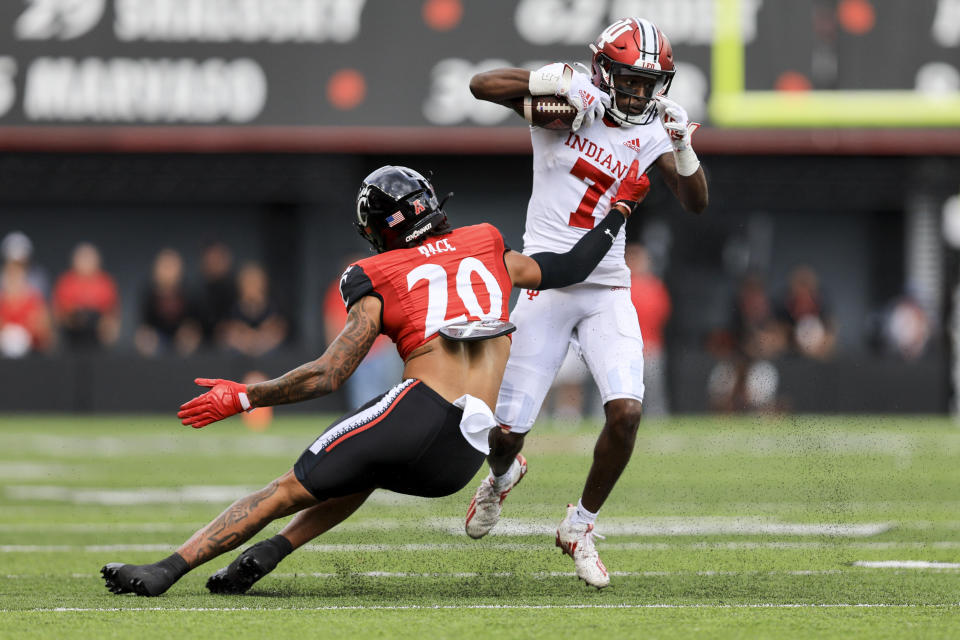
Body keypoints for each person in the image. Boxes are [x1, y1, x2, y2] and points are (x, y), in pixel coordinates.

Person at [100, 163, 648, 597]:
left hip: (419, 411)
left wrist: (245, 395)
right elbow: (573, 268)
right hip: (463, 456)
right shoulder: (486, 242)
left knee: (286, 489)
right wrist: (620, 208)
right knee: (366, 467)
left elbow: (327, 373)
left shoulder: (377, 273)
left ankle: (166, 571)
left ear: (378, 230)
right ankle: (269, 554)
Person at [459, 17, 708, 589]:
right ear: (603, 70)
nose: (639, 93)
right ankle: (500, 478)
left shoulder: (650, 134)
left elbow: (695, 202)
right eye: (630, 80)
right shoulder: (569, 103)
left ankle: (580, 524)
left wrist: (683, 145)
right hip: (545, 283)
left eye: (650, 83)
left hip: (606, 286)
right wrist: (549, 79)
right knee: (506, 435)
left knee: (626, 413)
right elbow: (480, 85)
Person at [322, 255, 403, 409]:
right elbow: (332, 321)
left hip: (380, 352)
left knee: (389, 394)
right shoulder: (337, 291)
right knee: (364, 398)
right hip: (357, 352)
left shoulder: (375, 285)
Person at [625, 243, 671, 418]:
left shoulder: (654, 285)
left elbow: (662, 313)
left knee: (653, 393)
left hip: (649, 347)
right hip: (624, 349)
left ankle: (657, 421)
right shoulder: (621, 284)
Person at [51, 242, 120, 350]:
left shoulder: (105, 282)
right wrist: (76, 317)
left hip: (96, 332)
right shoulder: (67, 282)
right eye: (83, 259)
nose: (86, 263)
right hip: (72, 331)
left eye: (89, 259)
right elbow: (60, 313)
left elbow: (112, 315)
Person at [135, 248, 201, 357]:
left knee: (190, 338)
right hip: (158, 337)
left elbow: (194, 323)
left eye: (171, 267)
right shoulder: (149, 293)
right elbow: (145, 325)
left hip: (181, 336)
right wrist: (149, 335)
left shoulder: (188, 292)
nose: (168, 272)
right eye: (164, 267)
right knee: (144, 339)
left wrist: (188, 331)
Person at [222, 262, 288, 357]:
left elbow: (279, 331)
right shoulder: (231, 310)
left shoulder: (275, 309)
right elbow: (226, 333)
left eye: (255, 282)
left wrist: (260, 339)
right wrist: (243, 339)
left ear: (264, 284)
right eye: (248, 282)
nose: (252, 286)